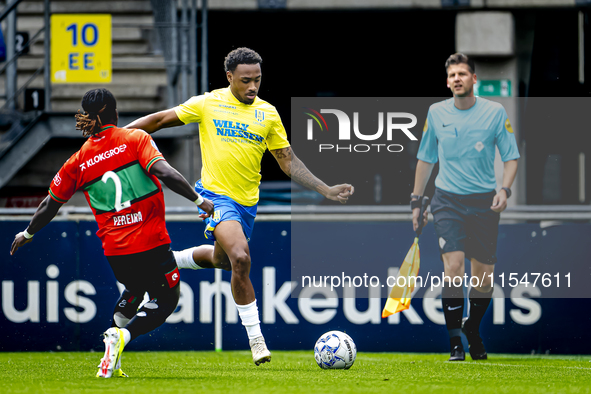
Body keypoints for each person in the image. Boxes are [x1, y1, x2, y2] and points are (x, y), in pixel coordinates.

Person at [125, 47, 354, 365]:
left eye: (257, 80)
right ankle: (257, 341)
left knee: (223, 261)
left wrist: (324, 189)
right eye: (246, 80)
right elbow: (161, 119)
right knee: (241, 258)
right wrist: (118, 139)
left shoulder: (268, 114)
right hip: (215, 197)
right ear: (229, 77)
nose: (252, 87)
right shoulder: (208, 102)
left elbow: (288, 162)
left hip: (247, 205)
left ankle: (170, 261)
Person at [10, 88, 214, 378]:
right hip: (150, 243)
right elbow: (166, 173)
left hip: (116, 252)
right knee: (166, 300)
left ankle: (112, 352)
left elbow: (49, 203)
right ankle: (121, 337)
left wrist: (27, 234)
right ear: (114, 113)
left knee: (136, 287)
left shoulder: (78, 160)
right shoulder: (136, 139)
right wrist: (199, 200)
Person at [411, 53, 519, 361]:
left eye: (462, 74)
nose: (457, 78)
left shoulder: (495, 112)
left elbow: (511, 158)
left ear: (474, 80)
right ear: (447, 82)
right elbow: (426, 158)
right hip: (447, 200)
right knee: (454, 268)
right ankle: (455, 342)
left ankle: (473, 327)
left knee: (484, 277)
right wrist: (416, 202)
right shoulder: (436, 112)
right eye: (452, 75)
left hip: (485, 202)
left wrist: (505, 189)